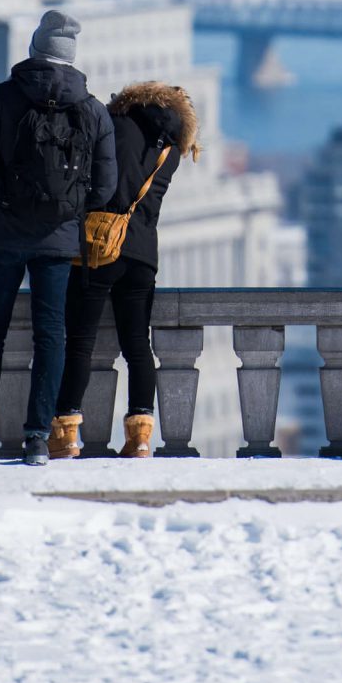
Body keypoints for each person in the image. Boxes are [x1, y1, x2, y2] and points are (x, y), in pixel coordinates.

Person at [0, 11, 115, 465]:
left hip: (1, 236)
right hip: (58, 241)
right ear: (70, 57)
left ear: (33, 49)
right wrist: (69, 212)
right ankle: (37, 437)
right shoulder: (92, 109)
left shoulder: (3, 99)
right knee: (51, 336)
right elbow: (105, 187)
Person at [49, 80, 199, 460]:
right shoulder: (171, 149)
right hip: (144, 255)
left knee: (80, 343)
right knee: (137, 346)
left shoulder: (114, 127)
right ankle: (140, 438)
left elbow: (98, 183)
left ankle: (66, 434)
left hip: (100, 244)